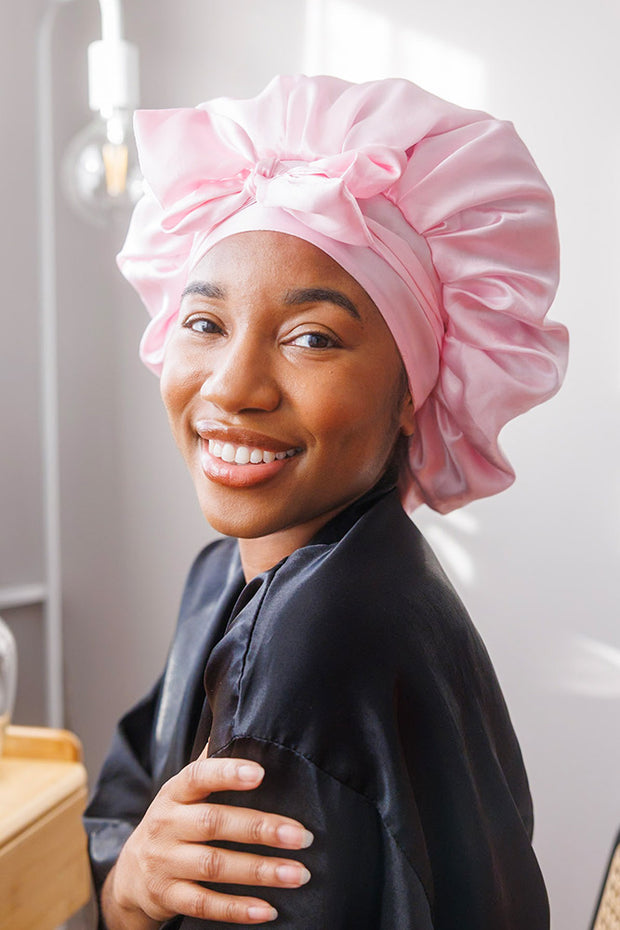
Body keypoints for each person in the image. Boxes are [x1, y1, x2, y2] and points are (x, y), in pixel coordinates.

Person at [84, 75, 568, 929]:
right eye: (204, 323)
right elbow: (131, 785)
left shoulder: (321, 641)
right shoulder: (228, 576)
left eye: (311, 338)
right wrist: (126, 868)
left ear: (415, 389)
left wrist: (120, 905)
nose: (233, 388)